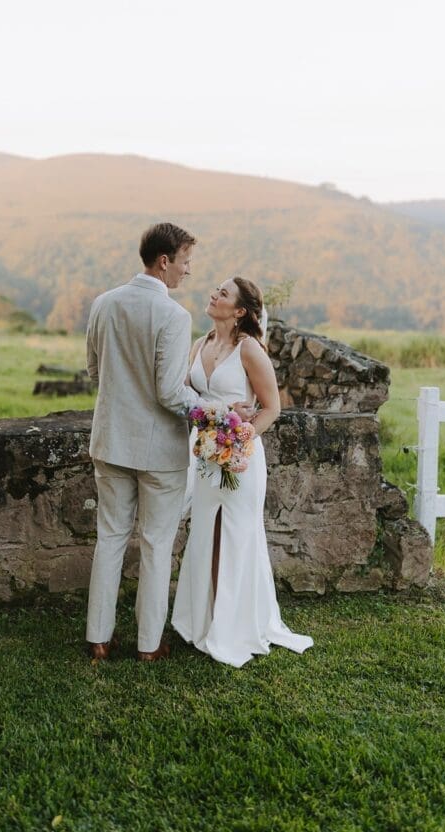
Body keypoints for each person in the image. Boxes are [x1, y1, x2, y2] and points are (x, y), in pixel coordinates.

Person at [84, 223, 252, 662]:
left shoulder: (103, 304)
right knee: (157, 545)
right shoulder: (174, 317)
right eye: (185, 261)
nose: (188, 271)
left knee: (110, 538)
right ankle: (148, 645)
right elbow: (169, 392)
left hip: (109, 440)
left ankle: (99, 639)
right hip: (158, 452)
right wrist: (218, 412)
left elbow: (94, 371)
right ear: (165, 261)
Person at [172, 276, 314, 667]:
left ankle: (233, 626)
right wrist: (207, 415)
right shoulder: (200, 344)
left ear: (239, 312)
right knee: (204, 533)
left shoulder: (250, 350)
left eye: (223, 293)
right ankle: (202, 620)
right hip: (204, 454)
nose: (213, 294)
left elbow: (272, 408)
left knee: (234, 535)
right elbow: (188, 397)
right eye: (215, 288)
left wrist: (241, 433)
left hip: (239, 457)